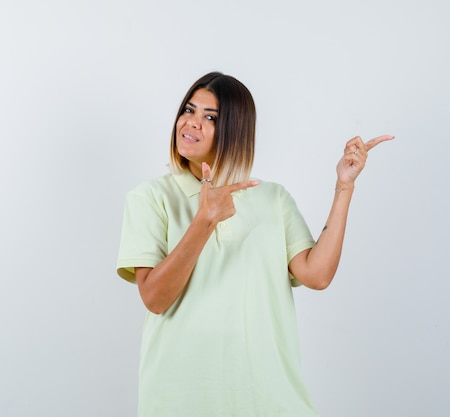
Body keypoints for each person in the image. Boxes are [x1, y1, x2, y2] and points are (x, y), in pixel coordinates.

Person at [116, 71, 394, 416]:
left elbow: (317, 275)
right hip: (179, 398)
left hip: (268, 398)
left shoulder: (273, 199)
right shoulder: (150, 198)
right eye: (188, 110)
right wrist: (204, 221)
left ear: (236, 131)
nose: (191, 123)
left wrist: (344, 186)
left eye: (210, 117)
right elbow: (154, 299)